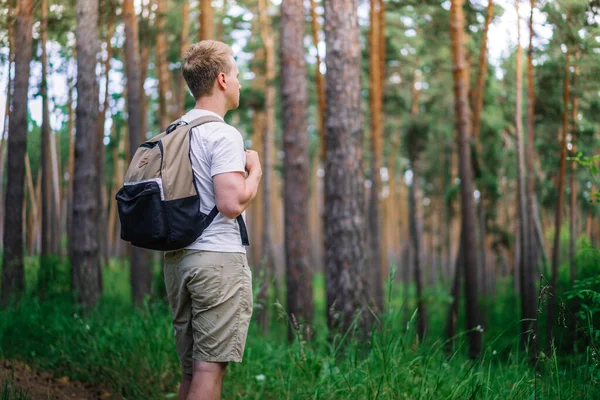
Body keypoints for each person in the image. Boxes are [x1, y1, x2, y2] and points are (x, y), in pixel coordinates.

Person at [163, 40, 262, 400]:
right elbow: (231, 202)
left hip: (178, 261)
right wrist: (255, 171)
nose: (239, 81)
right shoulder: (222, 133)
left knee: (191, 370)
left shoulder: (175, 131)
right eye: (236, 73)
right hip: (217, 261)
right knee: (209, 371)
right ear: (222, 79)